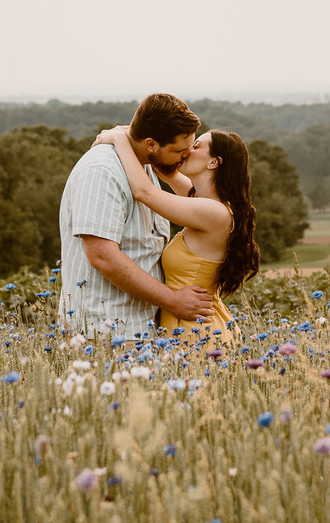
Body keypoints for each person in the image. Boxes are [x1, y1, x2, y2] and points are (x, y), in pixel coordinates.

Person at [58, 93, 214, 339]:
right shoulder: (102, 171)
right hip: (104, 330)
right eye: (180, 151)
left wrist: (121, 137)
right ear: (151, 144)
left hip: (141, 328)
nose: (185, 157)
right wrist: (172, 300)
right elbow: (102, 255)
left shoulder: (145, 167)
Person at [93, 123, 260, 338]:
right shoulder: (203, 201)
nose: (188, 150)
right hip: (190, 323)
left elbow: (145, 192)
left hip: (198, 330)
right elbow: (165, 170)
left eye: (197, 146)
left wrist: (119, 140)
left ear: (214, 162)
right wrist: (136, 136)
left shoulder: (215, 213)